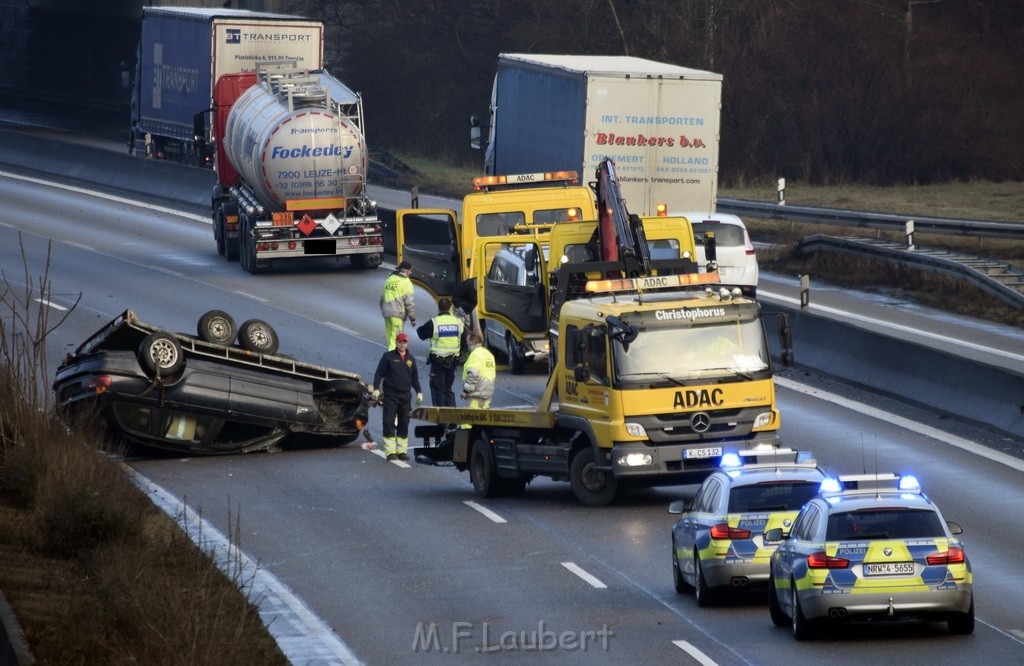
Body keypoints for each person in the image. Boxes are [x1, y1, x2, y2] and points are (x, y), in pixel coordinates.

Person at [369, 332, 423, 461]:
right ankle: (390, 452)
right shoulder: (388, 357)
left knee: (404, 422)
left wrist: (419, 392)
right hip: (391, 396)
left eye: (404, 342)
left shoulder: (411, 359)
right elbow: (379, 374)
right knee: (389, 422)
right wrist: (376, 389)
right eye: (400, 342)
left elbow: (415, 378)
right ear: (396, 343)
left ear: (407, 343)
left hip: (405, 396)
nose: (402, 344)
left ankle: (402, 451)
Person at [416, 297, 465, 407]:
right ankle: (452, 420)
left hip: (438, 363)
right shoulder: (458, 322)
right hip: (453, 362)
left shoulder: (434, 323)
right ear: (450, 308)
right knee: (448, 389)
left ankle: (441, 421)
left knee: (438, 390)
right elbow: (465, 339)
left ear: (438, 308)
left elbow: (421, 334)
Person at [460, 330, 496, 427]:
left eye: (467, 340)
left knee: (468, 421)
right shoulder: (488, 354)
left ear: (472, 341)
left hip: (476, 392)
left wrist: (466, 390)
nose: (466, 343)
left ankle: (466, 440)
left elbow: (473, 374)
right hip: (488, 391)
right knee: (482, 422)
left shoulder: (475, 355)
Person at [380, 260, 416, 350]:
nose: (411, 273)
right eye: (410, 271)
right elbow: (409, 303)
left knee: (390, 338)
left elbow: (382, 297)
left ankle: (390, 355)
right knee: (396, 339)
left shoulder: (390, 279)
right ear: (407, 271)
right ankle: (393, 359)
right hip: (397, 314)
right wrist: (412, 318)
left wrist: (383, 308)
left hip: (386, 312)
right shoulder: (406, 283)